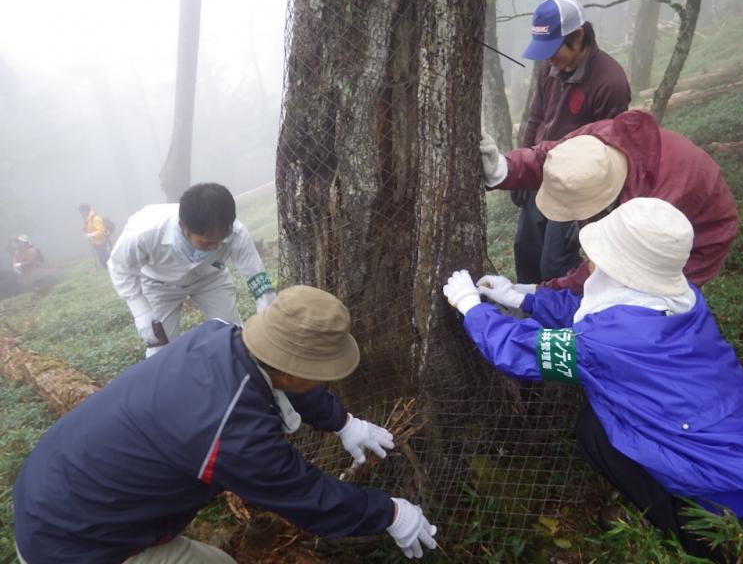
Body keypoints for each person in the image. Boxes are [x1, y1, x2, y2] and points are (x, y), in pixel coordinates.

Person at [442, 198, 743, 562]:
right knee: (597, 424)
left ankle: (675, 525)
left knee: (594, 433)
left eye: (600, 254)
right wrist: (525, 297)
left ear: (619, 266)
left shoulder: (608, 340)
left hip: (738, 519)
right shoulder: (683, 298)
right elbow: (602, 315)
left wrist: (473, 308)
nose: (590, 260)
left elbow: (520, 351)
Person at [13, 285, 438, 563]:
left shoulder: (218, 335)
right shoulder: (232, 431)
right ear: (295, 369)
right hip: (75, 543)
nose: (326, 377)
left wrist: (343, 422)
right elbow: (304, 495)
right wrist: (390, 512)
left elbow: (286, 378)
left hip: (49, 489)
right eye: (322, 369)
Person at [480, 109, 738, 293]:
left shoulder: (652, 209)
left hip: (702, 238)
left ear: (606, 202)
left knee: (647, 300)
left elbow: (609, 273)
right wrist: (504, 167)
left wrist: (537, 292)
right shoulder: (597, 141)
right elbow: (550, 158)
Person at [500, 0, 630, 285]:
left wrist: (594, 210)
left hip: (577, 186)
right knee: (527, 252)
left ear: (578, 35)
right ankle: (529, 316)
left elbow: (614, 150)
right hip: (541, 172)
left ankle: (562, 321)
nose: (549, 58)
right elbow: (536, 118)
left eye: (554, 48)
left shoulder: (610, 82)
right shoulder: (550, 67)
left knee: (555, 263)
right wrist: (521, 166)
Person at [108, 183, 275, 357]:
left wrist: (267, 321)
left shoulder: (236, 233)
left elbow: (256, 276)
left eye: (221, 239)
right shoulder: (145, 233)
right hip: (159, 285)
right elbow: (120, 267)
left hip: (210, 279)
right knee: (160, 350)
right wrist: (141, 311)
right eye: (207, 242)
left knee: (231, 336)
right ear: (184, 227)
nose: (216, 246)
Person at [79, 203, 110, 269]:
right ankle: (106, 268)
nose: (81, 213)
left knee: (104, 256)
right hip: (96, 241)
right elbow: (92, 227)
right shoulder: (88, 218)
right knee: (101, 256)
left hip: (101, 241)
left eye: (81, 211)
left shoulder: (95, 218)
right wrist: (85, 228)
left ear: (86, 210)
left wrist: (91, 235)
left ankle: (109, 268)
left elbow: (101, 231)